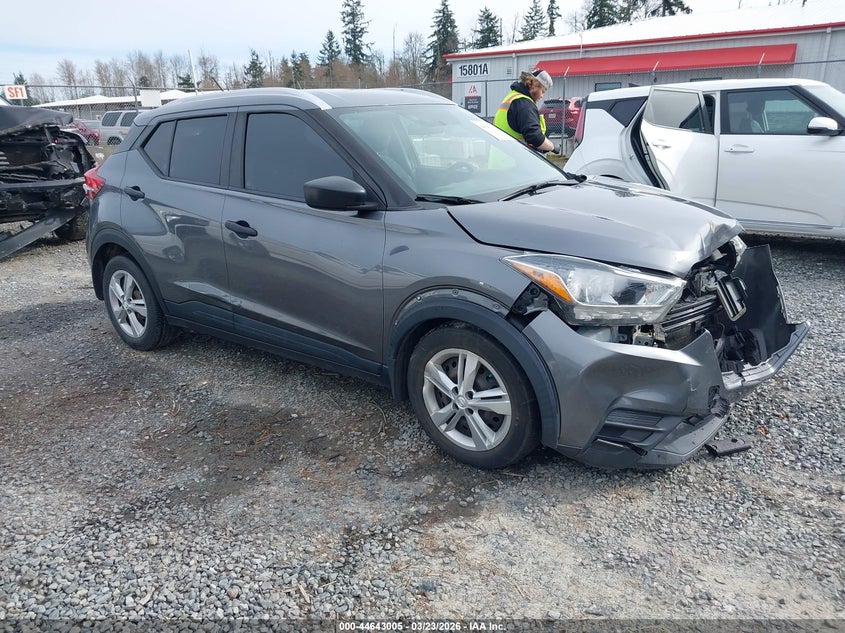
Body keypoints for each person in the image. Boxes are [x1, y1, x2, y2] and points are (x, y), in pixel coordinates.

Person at [494, 69, 556, 153]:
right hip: (514, 161)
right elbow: (535, 138)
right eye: (542, 91)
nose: (542, 96)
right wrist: (552, 147)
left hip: (500, 158)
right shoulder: (524, 104)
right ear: (534, 85)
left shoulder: (512, 97)